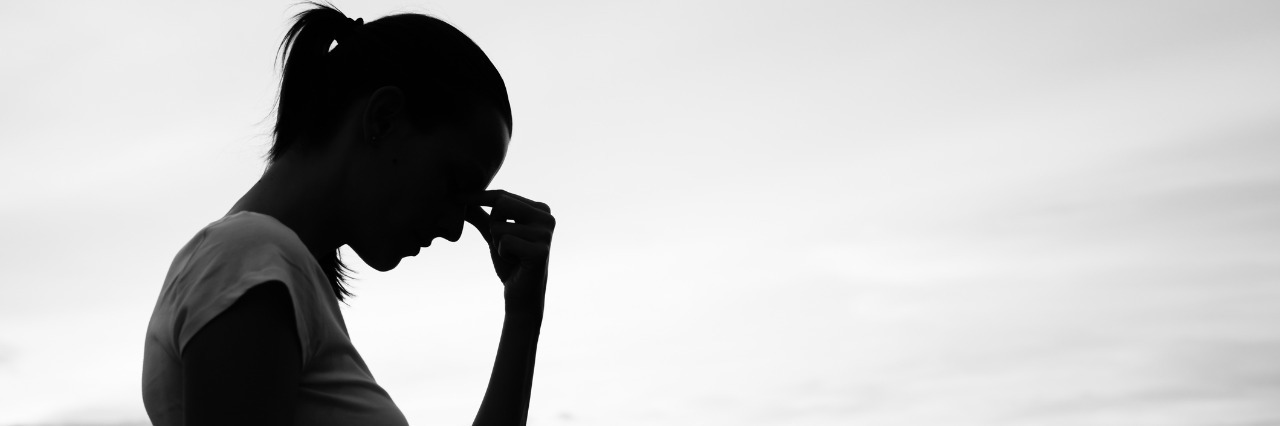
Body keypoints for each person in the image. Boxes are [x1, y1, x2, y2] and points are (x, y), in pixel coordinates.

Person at [140, 3, 554, 425]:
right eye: (453, 184)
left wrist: (523, 313)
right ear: (383, 118)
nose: (453, 228)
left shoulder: (264, 269)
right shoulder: (249, 260)